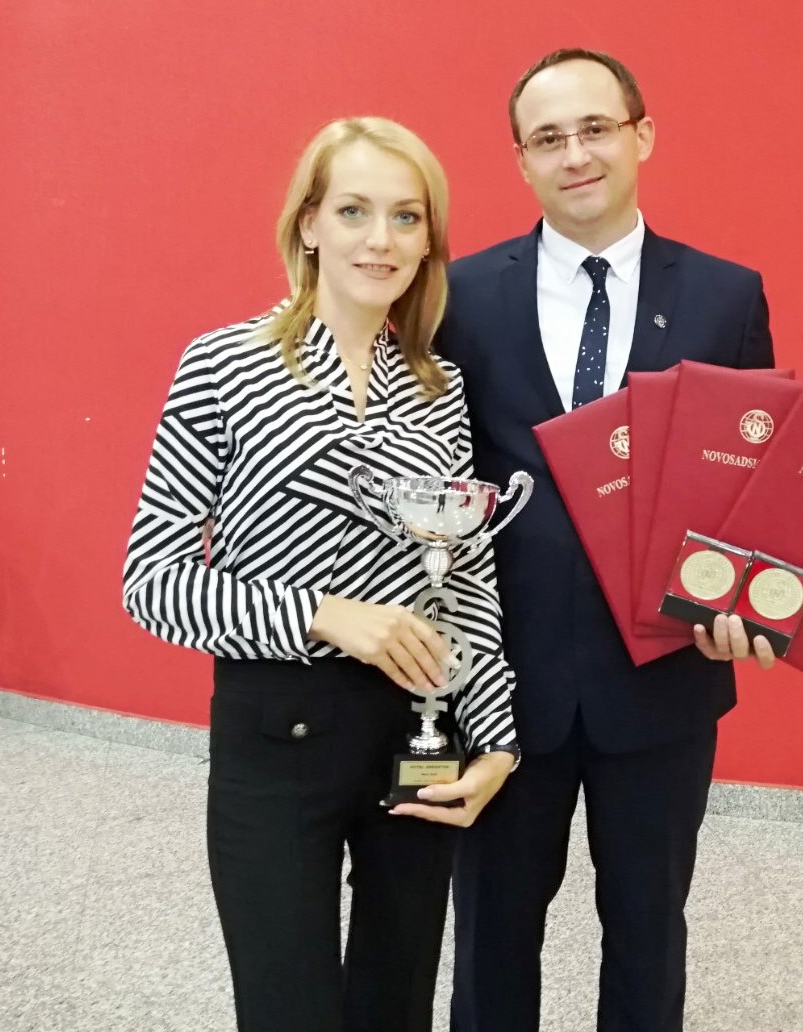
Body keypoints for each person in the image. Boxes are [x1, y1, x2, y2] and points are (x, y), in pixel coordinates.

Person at [122, 117, 519, 1032]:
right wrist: (324, 613)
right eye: (353, 211)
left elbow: (467, 584)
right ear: (307, 224)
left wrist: (496, 739)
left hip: (418, 730)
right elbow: (153, 580)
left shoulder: (439, 387)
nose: (381, 240)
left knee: (396, 1003)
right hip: (275, 734)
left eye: (406, 217)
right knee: (286, 1007)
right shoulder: (223, 364)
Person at [436, 50, 776, 1032]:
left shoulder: (725, 296)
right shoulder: (459, 296)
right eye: (548, 138)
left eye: (595, 128)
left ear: (642, 135)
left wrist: (747, 602)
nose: (574, 154)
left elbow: (751, 489)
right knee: (492, 933)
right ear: (521, 160)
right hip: (501, 685)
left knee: (647, 929)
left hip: (663, 681)